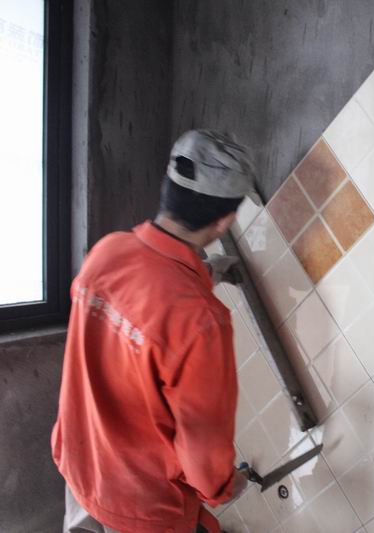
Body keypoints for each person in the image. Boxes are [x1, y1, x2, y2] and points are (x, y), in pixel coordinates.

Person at [52, 130, 261, 533]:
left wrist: (207, 274)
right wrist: (221, 487)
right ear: (225, 220)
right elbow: (202, 435)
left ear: (167, 190)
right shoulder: (201, 320)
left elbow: (144, 300)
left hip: (81, 466)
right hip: (140, 502)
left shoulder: (107, 251)